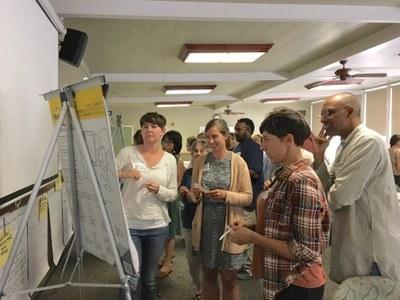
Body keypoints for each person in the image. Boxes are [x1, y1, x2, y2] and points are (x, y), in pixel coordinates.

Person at [230, 108, 330, 300]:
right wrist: (250, 228)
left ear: (288, 140)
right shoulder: (285, 175)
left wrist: (253, 237)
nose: (262, 146)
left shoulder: (302, 180)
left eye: (267, 139)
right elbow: (283, 226)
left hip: (297, 282)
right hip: (283, 279)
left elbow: (306, 250)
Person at [312, 92, 400, 283]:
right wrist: (320, 158)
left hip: (370, 251)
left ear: (349, 112)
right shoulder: (344, 144)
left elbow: (339, 196)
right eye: (322, 115)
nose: (323, 120)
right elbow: (326, 186)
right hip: (352, 241)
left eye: (329, 113)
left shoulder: (367, 141)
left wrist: (331, 190)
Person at [115, 112, 177, 300]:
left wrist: (159, 190)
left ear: (163, 131)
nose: (149, 130)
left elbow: (173, 193)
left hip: (156, 225)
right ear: (141, 130)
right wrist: (125, 174)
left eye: (154, 126)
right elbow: (106, 174)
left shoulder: (169, 160)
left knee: (149, 279)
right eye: (145, 126)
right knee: (131, 278)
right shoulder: (128, 152)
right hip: (130, 224)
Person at [191, 118, 252, 300]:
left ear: (225, 136)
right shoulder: (200, 161)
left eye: (215, 136)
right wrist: (196, 193)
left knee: (229, 278)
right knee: (208, 276)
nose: (210, 141)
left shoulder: (238, 162)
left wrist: (226, 195)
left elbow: (248, 197)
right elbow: (195, 198)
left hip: (228, 227)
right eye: (207, 137)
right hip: (206, 226)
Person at [234, 118, 264, 280]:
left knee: (249, 233)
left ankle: (251, 267)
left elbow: (255, 172)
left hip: (251, 198)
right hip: (239, 198)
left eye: (240, 129)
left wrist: (236, 173)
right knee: (240, 230)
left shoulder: (253, 148)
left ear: (249, 131)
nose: (236, 132)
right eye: (236, 129)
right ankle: (242, 265)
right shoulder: (239, 147)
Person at [179, 139, 208, 300]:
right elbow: (184, 196)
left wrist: (194, 196)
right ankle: (199, 286)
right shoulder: (188, 173)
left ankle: (206, 291)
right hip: (189, 220)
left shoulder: (211, 173)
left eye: (202, 151)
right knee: (191, 259)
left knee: (207, 259)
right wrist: (183, 192)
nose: (198, 154)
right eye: (195, 151)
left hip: (207, 222)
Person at [159, 130, 185, 278]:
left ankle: (168, 262)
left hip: (171, 200)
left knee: (170, 233)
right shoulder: (162, 158)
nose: (165, 144)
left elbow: (177, 182)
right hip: (161, 198)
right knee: (163, 232)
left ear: (175, 145)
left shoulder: (177, 160)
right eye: (164, 141)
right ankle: (167, 256)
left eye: (168, 142)